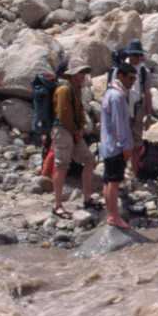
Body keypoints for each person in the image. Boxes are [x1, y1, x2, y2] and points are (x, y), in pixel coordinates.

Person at [51, 62, 98, 219]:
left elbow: (79, 113)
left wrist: (80, 129)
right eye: (80, 73)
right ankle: (57, 205)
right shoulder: (64, 90)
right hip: (63, 131)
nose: (83, 76)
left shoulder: (75, 90)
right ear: (71, 75)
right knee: (61, 166)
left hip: (73, 132)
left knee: (89, 160)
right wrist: (76, 132)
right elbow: (63, 115)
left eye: (84, 73)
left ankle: (87, 198)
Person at [99, 63, 137, 229]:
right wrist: (126, 146)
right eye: (130, 78)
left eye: (134, 79)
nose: (132, 82)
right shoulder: (117, 96)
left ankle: (111, 214)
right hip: (116, 146)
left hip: (108, 145)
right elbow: (119, 124)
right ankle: (114, 216)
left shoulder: (111, 93)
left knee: (108, 181)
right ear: (120, 75)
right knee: (113, 182)